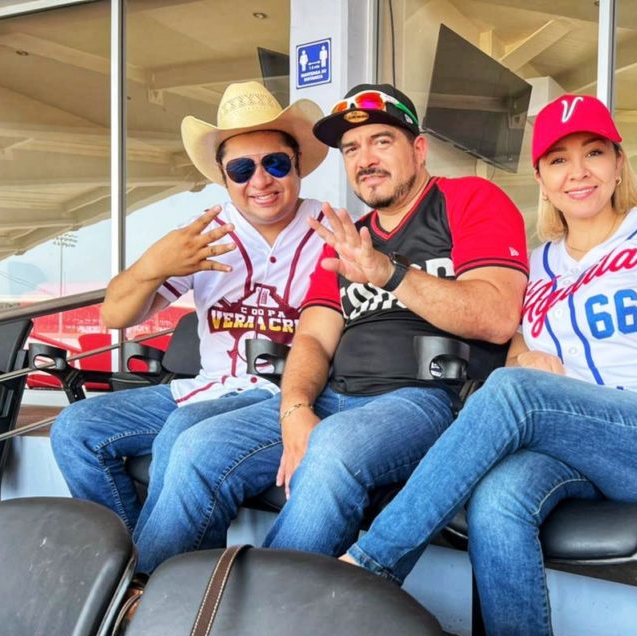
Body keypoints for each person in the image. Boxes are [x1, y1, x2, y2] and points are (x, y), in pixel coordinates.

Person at [339, 94, 637, 636]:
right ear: (543, 178)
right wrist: (524, 359)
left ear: (617, 164)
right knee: (500, 498)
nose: (578, 172)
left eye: (594, 154)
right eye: (559, 160)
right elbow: (519, 353)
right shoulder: (541, 263)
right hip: (587, 444)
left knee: (513, 393)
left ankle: (372, 565)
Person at [130, 83, 528, 573]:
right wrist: (295, 408)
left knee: (332, 449)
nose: (366, 159)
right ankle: (150, 600)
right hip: (334, 395)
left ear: (419, 149)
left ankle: (268, 612)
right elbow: (314, 338)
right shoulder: (348, 237)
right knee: (196, 448)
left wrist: (389, 273)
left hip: (427, 397)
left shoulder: (468, 199)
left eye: (382, 141)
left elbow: (496, 317)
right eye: (352, 149)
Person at [50, 81, 329, 540]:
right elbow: (114, 316)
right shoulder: (203, 233)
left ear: (298, 164)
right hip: (206, 388)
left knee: (182, 433)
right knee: (74, 429)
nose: (260, 180)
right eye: (242, 169)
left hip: (278, 395)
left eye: (275, 163)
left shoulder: (332, 229)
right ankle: (125, 554)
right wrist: (153, 266)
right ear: (224, 176)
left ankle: (150, 574)